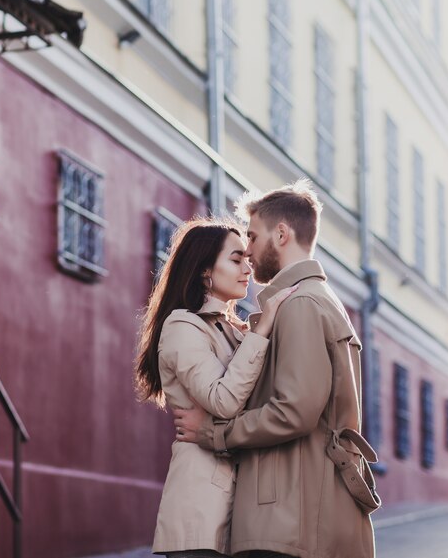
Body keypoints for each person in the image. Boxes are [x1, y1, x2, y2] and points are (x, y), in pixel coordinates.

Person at [174, 180, 381, 558]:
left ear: (281, 234)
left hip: (290, 516)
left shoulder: (301, 304)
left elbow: (294, 410)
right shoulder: (311, 301)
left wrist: (214, 434)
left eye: (252, 237)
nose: (248, 252)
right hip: (297, 510)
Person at [134, 217, 296, 558]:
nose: (246, 269)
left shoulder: (235, 329)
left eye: (246, 260)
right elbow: (222, 401)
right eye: (236, 260)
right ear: (205, 271)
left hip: (242, 507)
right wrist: (262, 327)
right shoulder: (182, 325)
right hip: (200, 511)